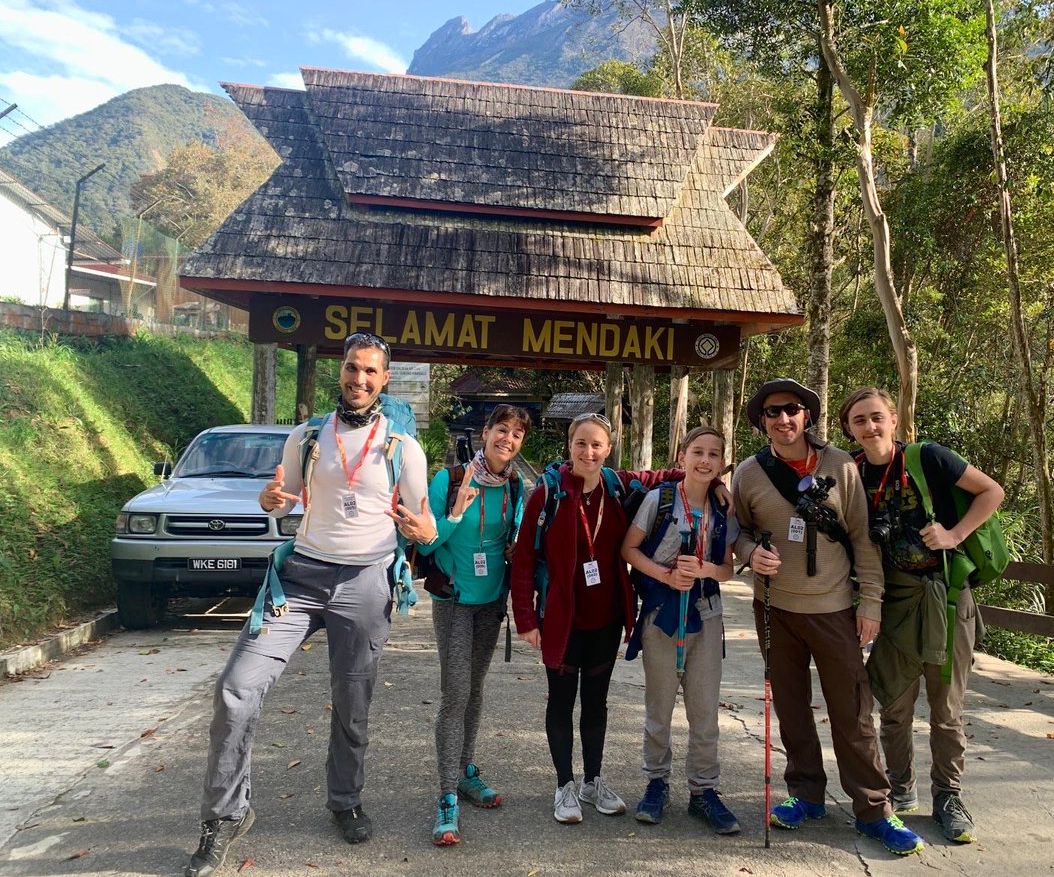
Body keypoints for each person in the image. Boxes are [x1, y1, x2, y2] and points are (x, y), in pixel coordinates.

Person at [184, 333, 437, 877]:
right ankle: (225, 817)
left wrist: (423, 531)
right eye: (352, 368)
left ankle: (345, 801)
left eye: (371, 372)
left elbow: (426, 525)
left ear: (384, 378)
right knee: (235, 689)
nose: (360, 380)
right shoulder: (306, 436)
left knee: (353, 702)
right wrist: (267, 499)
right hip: (299, 577)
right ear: (340, 371)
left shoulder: (403, 448)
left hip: (366, 582)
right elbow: (283, 496)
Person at [731, 377, 924, 856]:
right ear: (761, 422)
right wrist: (751, 553)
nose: (783, 419)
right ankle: (806, 795)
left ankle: (874, 809)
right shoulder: (749, 473)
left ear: (806, 415)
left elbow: (862, 538)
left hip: (834, 608)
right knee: (792, 708)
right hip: (775, 607)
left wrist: (872, 604)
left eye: (792, 409)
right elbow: (737, 532)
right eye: (772, 412)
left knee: (853, 711)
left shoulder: (841, 465)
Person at [839, 386, 1004, 844]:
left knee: (946, 707)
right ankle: (900, 785)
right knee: (893, 702)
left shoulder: (928, 458)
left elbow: (992, 491)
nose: (870, 427)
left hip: (947, 597)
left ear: (894, 419)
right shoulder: (850, 472)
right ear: (849, 429)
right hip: (893, 602)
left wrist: (954, 533)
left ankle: (948, 796)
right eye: (859, 421)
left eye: (877, 417)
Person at [509, 413, 686, 825]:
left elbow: (669, 473)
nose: (588, 452)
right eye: (581, 443)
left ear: (608, 449)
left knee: (596, 703)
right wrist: (526, 620)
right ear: (569, 446)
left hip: (606, 618)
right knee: (561, 701)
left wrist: (713, 481)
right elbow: (523, 561)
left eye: (597, 445)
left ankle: (592, 781)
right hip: (562, 618)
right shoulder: (549, 493)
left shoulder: (618, 485)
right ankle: (564, 785)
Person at [417, 404, 531, 846]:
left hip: (491, 602)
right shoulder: (450, 479)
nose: (508, 439)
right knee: (455, 692)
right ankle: (446, 794)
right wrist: (458, 512)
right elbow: (428, 538)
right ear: (485, 432)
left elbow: (514, 542)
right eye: (501, 430)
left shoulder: (516, 486)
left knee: (476, 688)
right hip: (454, 600)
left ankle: (464, 770)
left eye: (517, 435)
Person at [621, 426, 741, 835]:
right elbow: (629, 549)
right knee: (659, 705)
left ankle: (703, 791)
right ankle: (656, 783)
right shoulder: (661, 499)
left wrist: (705, 569)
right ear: (682, 455)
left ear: (723, 462)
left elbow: (727, 567)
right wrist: (666, 576)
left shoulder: (725, 509)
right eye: (697, 452)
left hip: (706, 616)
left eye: (713, 454)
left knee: (705, 710)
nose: (704, 460)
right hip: (662, 614)